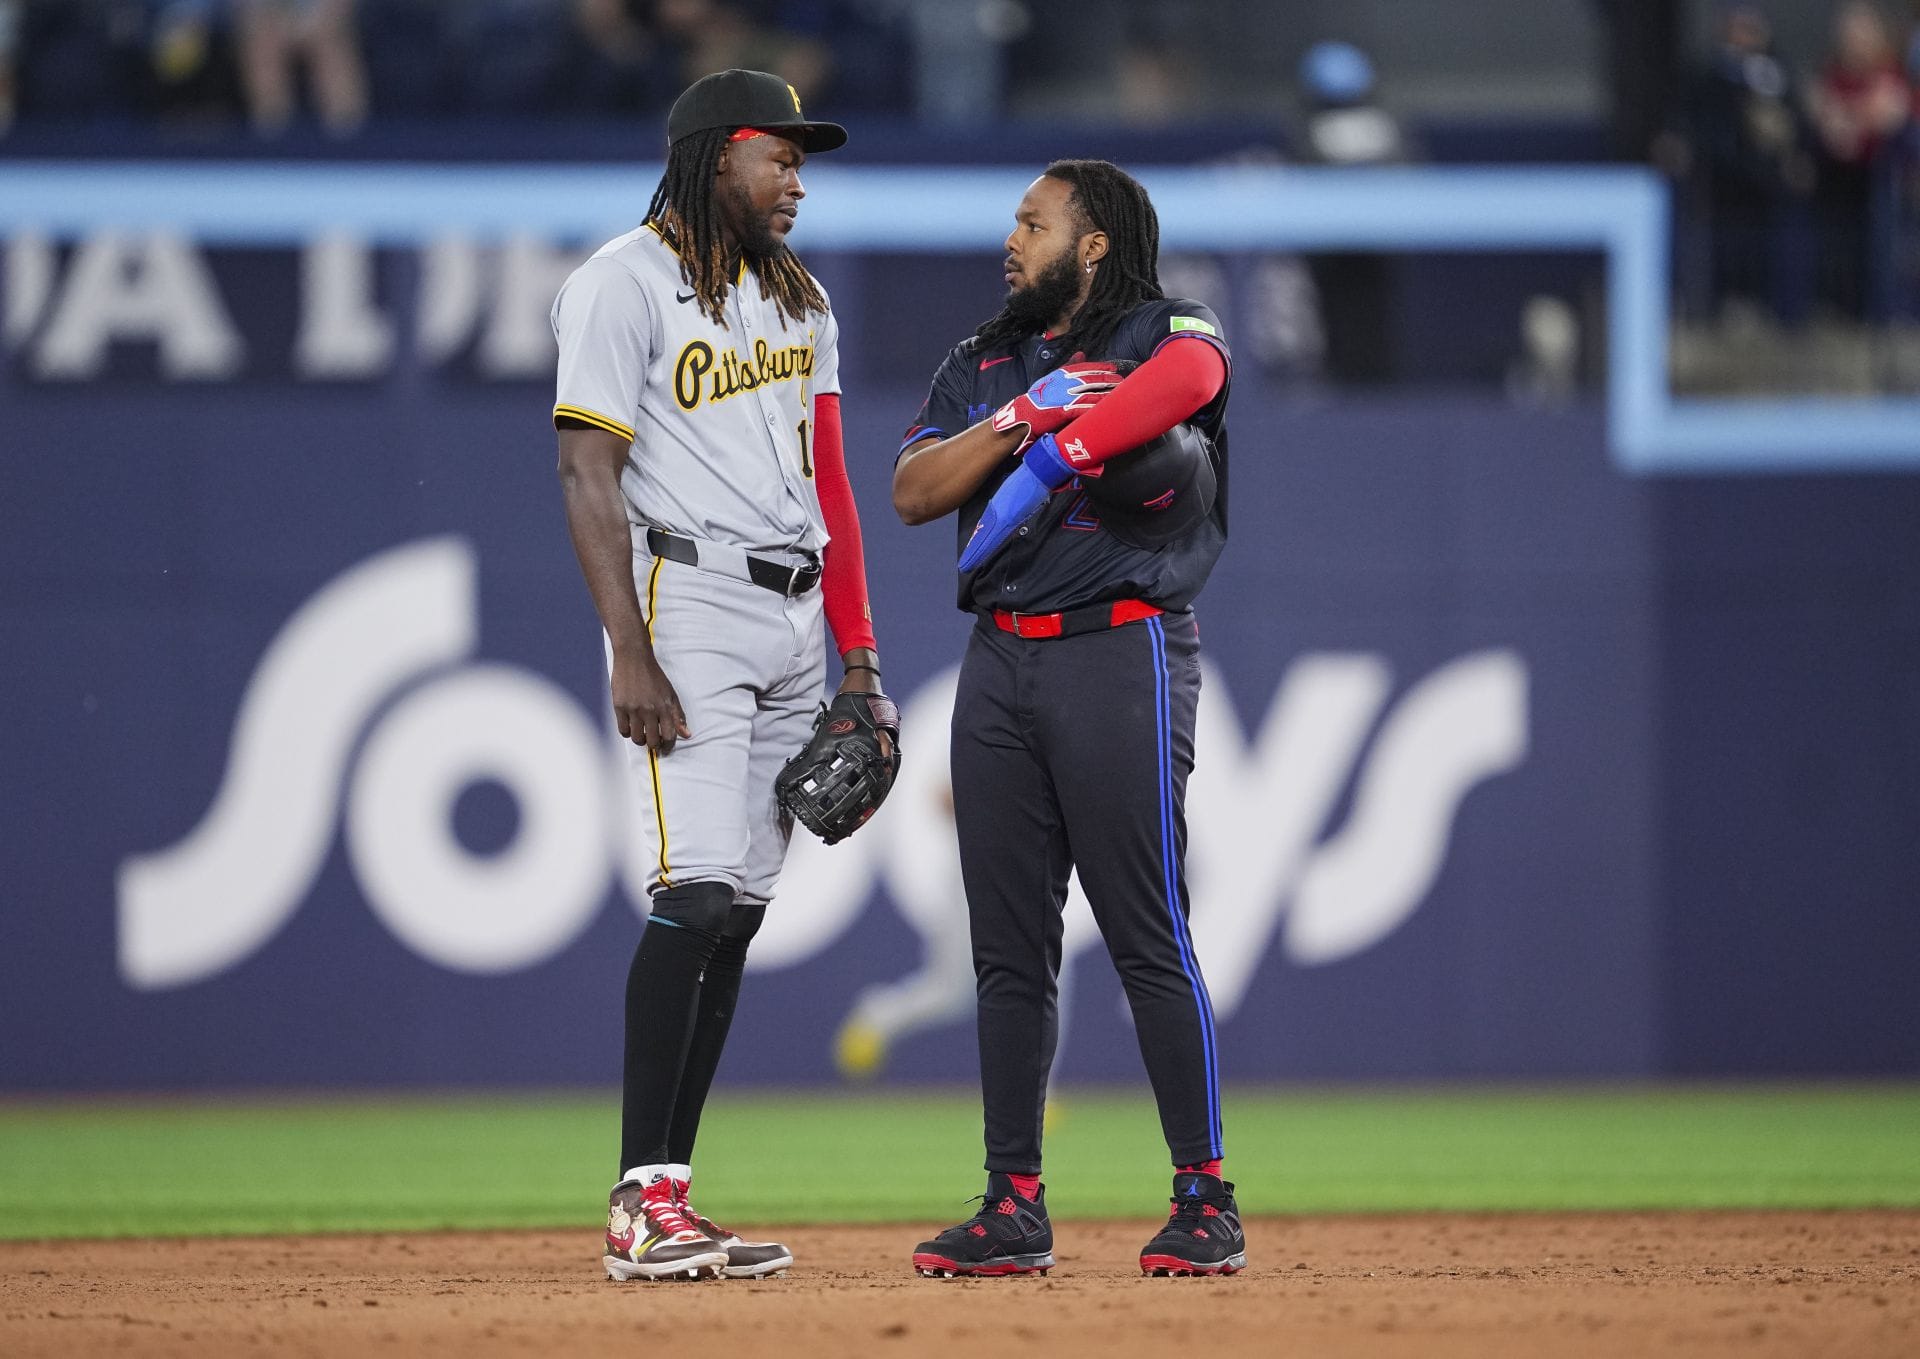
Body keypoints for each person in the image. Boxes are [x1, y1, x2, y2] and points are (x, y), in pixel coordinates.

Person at [550, 67, 887, 1283]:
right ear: (712, 156)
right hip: (684, 601)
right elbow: (588, 473)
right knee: (693, 895)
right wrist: (629, 651)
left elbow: (835, 485)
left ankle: (670, 1199)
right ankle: (640, 1203)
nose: (797, 179)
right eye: (778, 157)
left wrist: (861, 657)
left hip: (800, 617)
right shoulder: (618, 283)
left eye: (802, 161)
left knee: (738, 911)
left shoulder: (798, 299)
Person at [893, 160, 1244, 1279]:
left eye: (1034, 223)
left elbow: (1198, 369)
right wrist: (1018, 419)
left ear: (1093, 244)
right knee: (1007, 954)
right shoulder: (982, 360)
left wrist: (1063, 453)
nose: (1013, 238)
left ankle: (1203, 1197)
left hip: (1118, 643)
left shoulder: (1154, 324)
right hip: (999, 662)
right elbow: (912, 492)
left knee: (1146, 929)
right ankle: (1014, 1201)